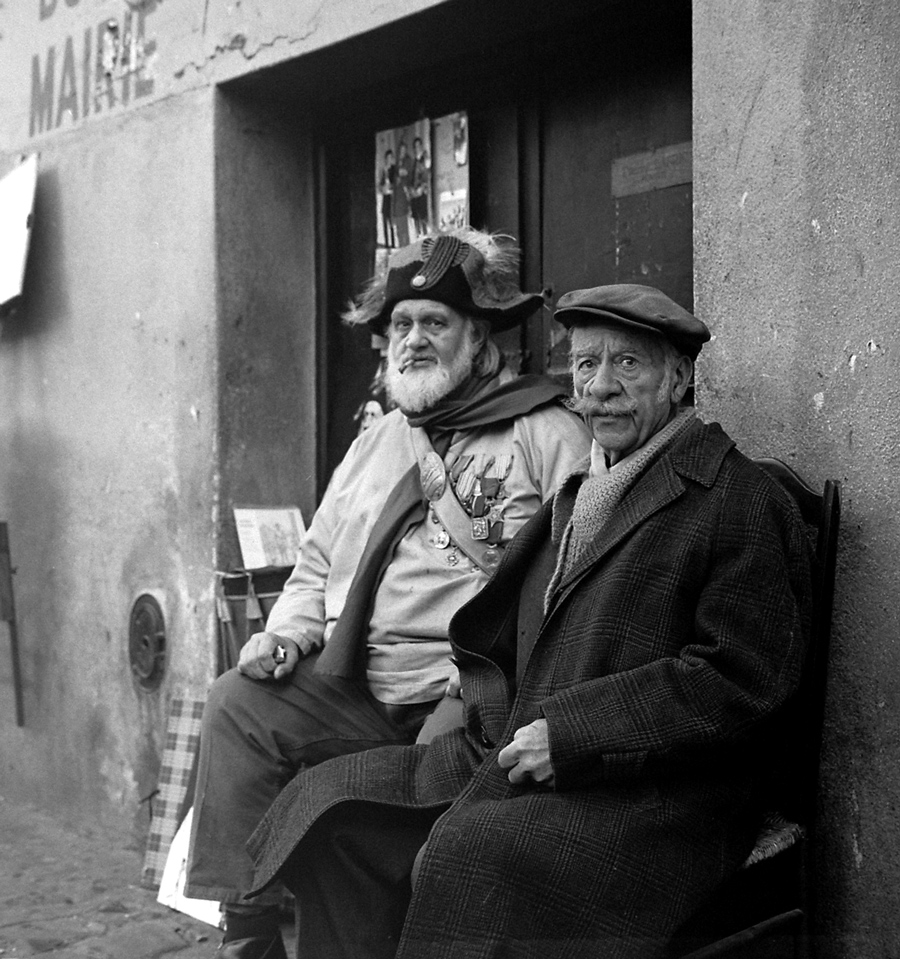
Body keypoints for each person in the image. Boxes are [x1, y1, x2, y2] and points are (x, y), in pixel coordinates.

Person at [246, 283, 815, 959]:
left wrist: (572, 733)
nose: (600, 386)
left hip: (652, 795)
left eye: (627, 364)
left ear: (679, 377)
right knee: (329, 810)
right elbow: (512, 636)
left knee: (467, 856)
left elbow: (741, 680)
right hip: (517, 754)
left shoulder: (733, 497)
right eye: (584, 365)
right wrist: (482, 705)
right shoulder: (580, 486)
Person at [185, 229, 592, 959]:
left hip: (465, 693)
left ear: (478, 334)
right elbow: (316, 560)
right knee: (235, 706)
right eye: (400, 325)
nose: (412, 340)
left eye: (433, 322)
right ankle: (247, 937)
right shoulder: (378, 440)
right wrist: (286, 633)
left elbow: (579, 575)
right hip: (358, 682)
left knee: (346, 809)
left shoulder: (545, 430)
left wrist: (498, 684)